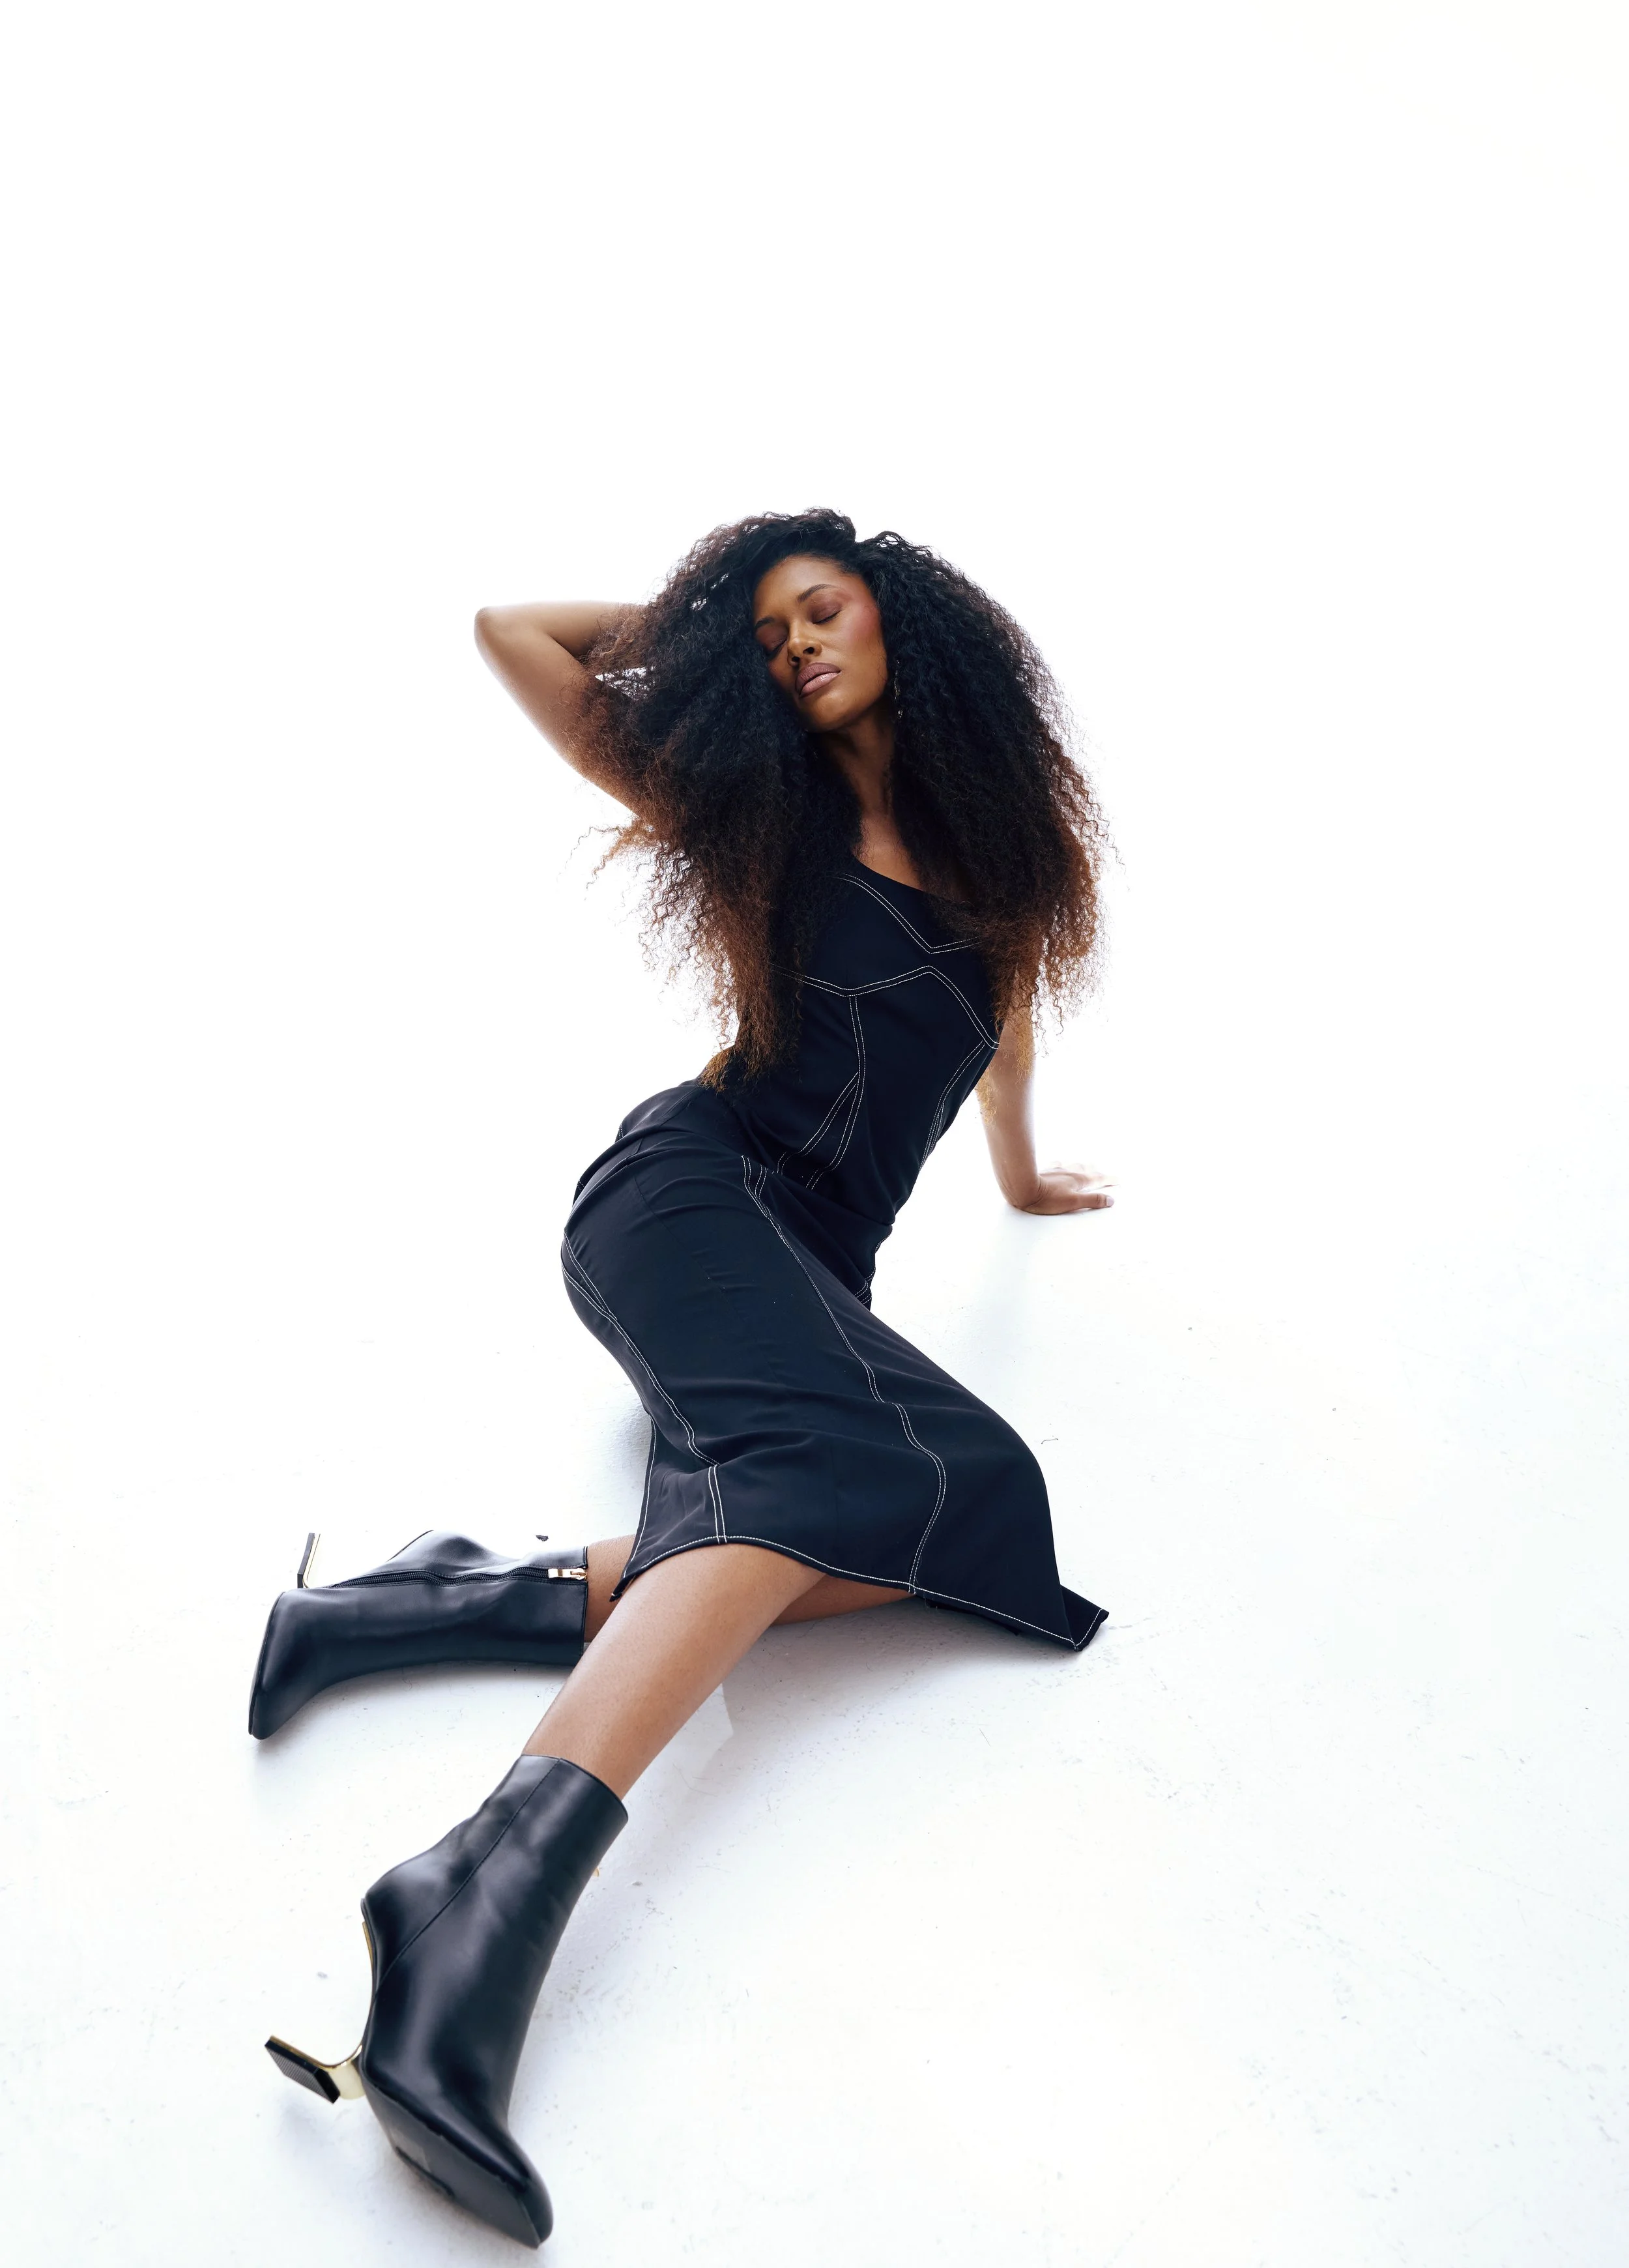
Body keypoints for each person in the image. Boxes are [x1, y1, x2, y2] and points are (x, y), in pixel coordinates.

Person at [254, 509, 1114, 2246]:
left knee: (973, 1502)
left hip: (808, 1274)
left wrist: (1020, 1172)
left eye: (822, 610)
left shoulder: (997, 858)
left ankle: (436, 1600)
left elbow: (1000, 1024)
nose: (797, 644)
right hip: (690, 1204)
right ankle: (469, 1901)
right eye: (771, 632)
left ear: (912, 621)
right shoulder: (759, 814)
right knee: (825, 1485)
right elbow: (516, 629)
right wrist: (705, 618)